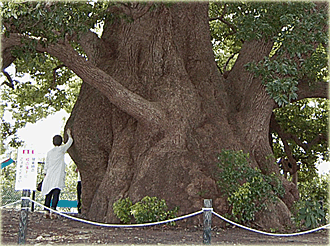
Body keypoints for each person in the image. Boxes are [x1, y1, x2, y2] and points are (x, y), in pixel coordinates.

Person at [42, 129, 73, 219]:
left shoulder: (49, 152)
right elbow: (70, 142)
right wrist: (69, 135)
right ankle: (53, 212)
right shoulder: (61, 149)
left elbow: (46, 165)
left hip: (49, 175)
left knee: (48, 193)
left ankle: (46, 211)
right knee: (56, 193)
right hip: (58, 175)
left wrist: (45, 174)